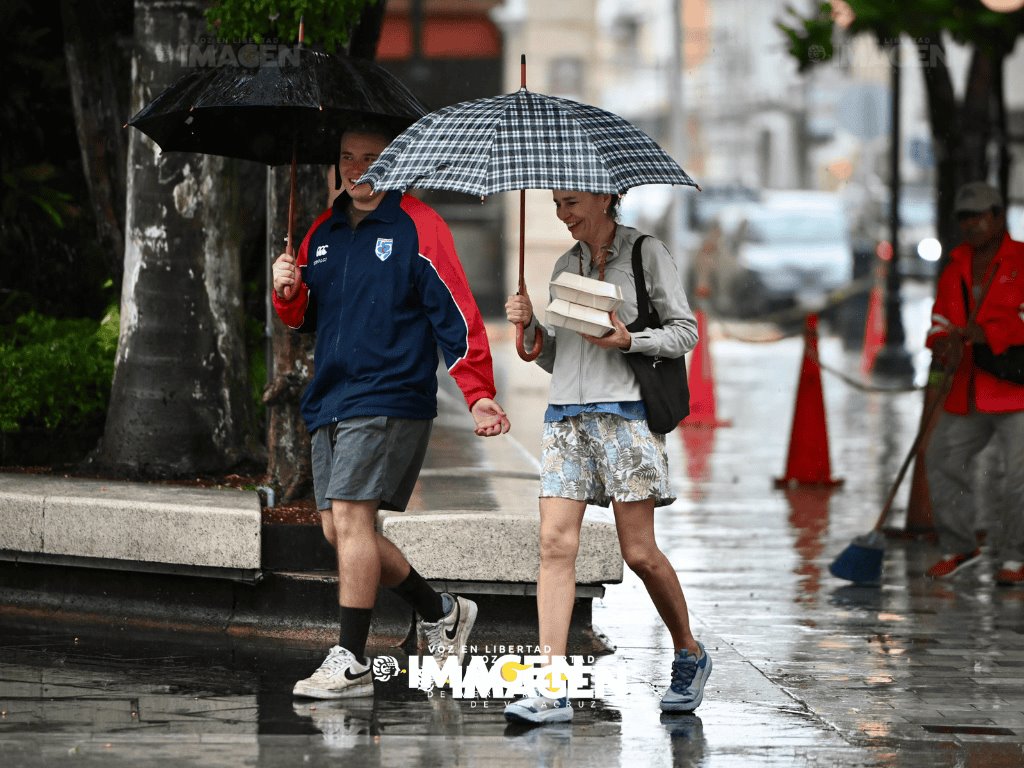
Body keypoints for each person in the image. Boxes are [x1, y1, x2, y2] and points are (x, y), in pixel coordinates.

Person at [272, 123, 511, 699]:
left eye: (372, 158)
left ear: (396, 163)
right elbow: (305, 318)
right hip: (329, 397)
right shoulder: (320, 233)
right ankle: (441, 611)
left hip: (389, 394)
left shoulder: (418, 227)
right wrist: (287, 292)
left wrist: (478, 391)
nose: (358, 169)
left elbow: (456, 311)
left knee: (352, 521)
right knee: (337, 528)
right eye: (348, 158)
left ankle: (351, 659)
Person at [502, 189, 708, 724]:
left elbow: (685, 331)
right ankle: (551, 686)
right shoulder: (563, 265)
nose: (562, 214)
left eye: (571, 203)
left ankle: (688, 650)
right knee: (553, 544)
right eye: (555, 205)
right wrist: (529, 329)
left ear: (602, 198)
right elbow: (555, 357)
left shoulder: (646, 253)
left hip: (628, 416)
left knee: (638, 552)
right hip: (566, 417)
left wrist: (629, 342)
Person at [924, 181, 1024, 584]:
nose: (973, 224)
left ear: (998, 216)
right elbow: (939, 322)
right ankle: (960, 545)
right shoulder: (955, 269)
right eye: (965, 217)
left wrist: (991, 334)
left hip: (1015, 389)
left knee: (1019, 477)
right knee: (941, 458)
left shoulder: (1021, 261)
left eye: (980, 215)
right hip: (967, 389)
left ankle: (1016, 558)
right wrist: (940, 342)